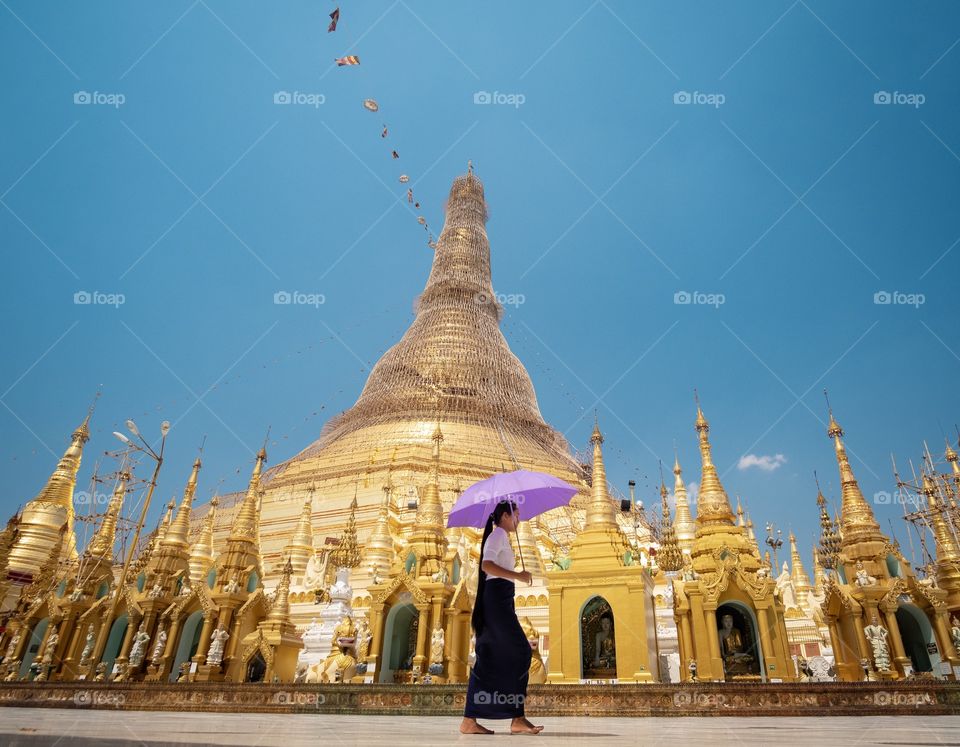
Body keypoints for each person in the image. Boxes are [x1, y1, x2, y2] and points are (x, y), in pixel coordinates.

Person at [460, 500, 543, 736]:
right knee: (521, 651)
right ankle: (514, 717)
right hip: (496, 601)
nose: (518, 520)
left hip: (501, 600)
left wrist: (516, 576)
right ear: (505, 516)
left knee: (493, 656)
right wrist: (517, 574)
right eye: (516, 515)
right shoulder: (497, 536)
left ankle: (476, 718)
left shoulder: (502, 537)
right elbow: (487, 565)